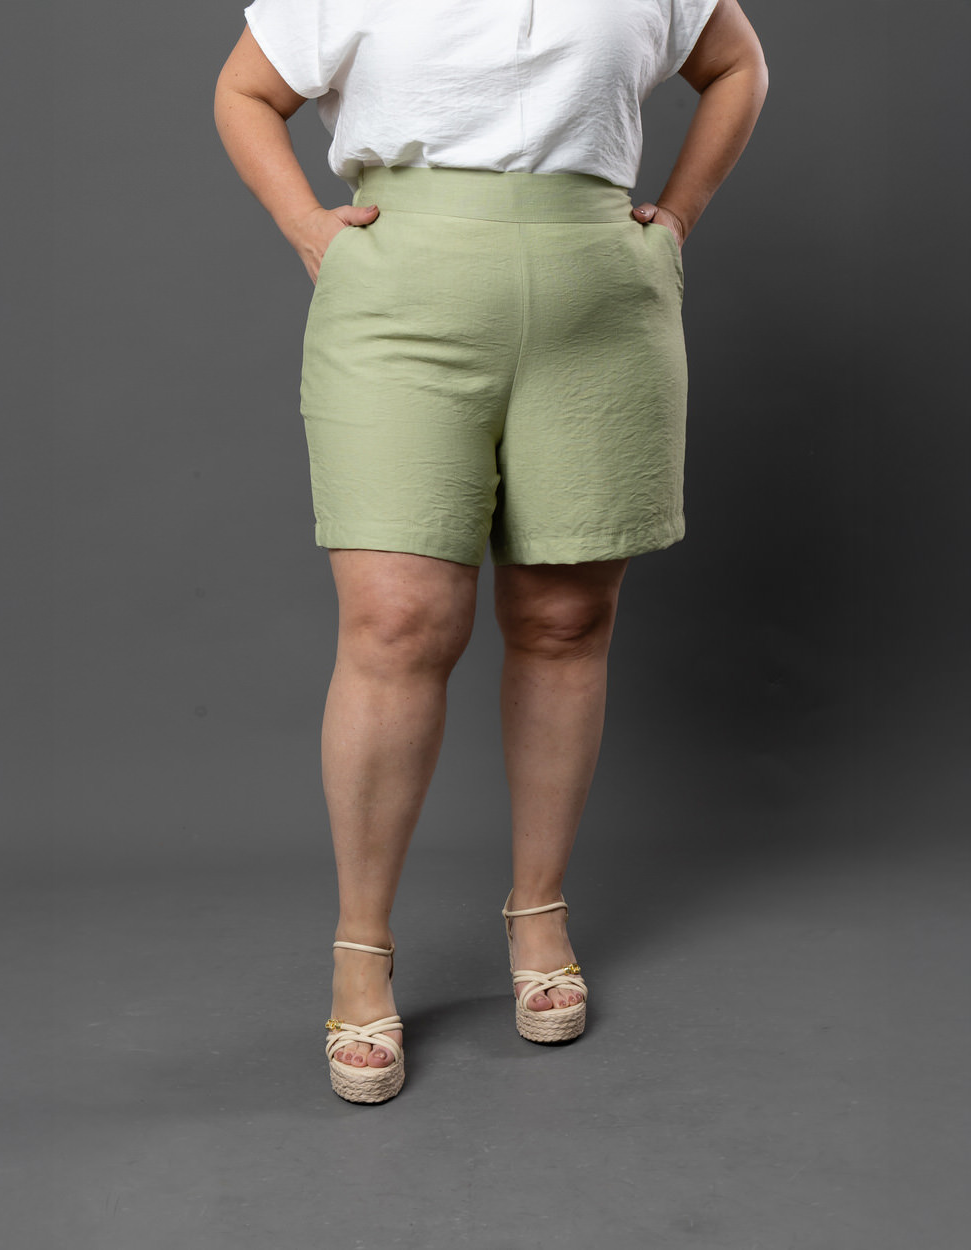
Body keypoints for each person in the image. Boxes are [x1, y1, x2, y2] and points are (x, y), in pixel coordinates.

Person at [214, 0, 768, 1104]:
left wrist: (676, 219)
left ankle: (539, 911)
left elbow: (738, 64)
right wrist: (306, 224)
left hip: (599, 305)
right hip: (401, 303)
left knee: (566, 617)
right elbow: (244, 90)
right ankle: (361, 950)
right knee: (396, 622)